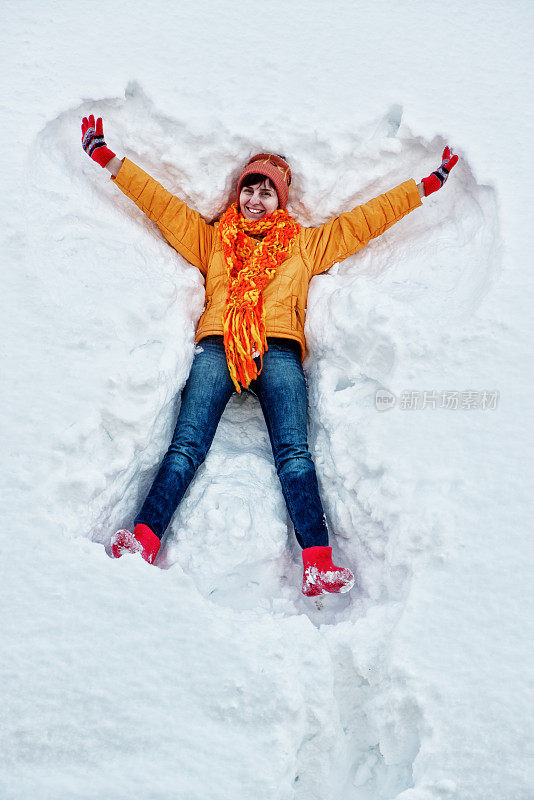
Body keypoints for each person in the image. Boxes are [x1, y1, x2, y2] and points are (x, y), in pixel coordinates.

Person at [81, 114, 458, 597]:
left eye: (266, 193)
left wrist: (426, 184)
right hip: (218, 343)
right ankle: (144, 538)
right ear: (238, 194)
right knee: (185, 445)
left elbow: (366, 220)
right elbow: (163, 206)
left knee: (295, 453)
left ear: (281, 199)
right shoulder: (215, 240)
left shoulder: (303, 246)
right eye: (248, 190)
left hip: (278, 349)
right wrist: (108, 158)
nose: (255, 200)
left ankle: (318, 562)